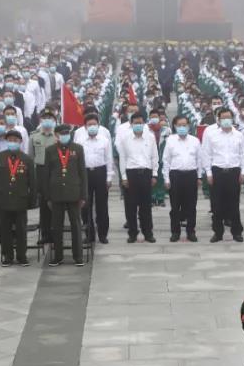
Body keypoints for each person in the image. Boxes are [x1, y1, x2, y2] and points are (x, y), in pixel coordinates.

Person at [0, 129, 37, 266]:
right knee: (5, 230)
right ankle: (8, 256)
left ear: (20, 142)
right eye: (10, 140)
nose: (12, 143)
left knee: (21, 230)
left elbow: (32, 182)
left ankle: (22, 256)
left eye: (15, 141)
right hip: (4, 200)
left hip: (20, 200)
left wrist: (32, 201)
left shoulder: (26, 159)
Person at [44, 124, 88, 266]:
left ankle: (78, 256)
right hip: (56, 193)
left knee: (76, 225)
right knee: (56, 226)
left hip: (74, 193)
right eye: (61, 133)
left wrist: (83, 195)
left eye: (66, 133)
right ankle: (58, 256)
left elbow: (83, 173)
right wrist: (48, 196)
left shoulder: (78, 149)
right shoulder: (50, 150)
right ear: (56, 135)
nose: (64, 135)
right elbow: (47, 173)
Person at [202, 107, 244, 243]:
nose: (226, 120)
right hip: (217, 172)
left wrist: (243, 171)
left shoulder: (239, 135)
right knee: (217, 204)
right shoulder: (212, 135)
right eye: (223, 118)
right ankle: (218, 232)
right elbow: (207, 154)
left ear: (232, 119)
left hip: (234, 172)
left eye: (229, 118)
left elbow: (242, 154)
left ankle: (236, 232)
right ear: (219, 120)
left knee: (234, 203)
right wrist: (208, 173)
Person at [116, 113, 160, 243]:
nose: (138, 125)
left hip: (146, 173)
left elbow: (154, 157)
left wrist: (154, 174)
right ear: (131, 124)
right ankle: (132, 233)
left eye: (140, 122)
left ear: (144, 123)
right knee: (131, 206)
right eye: (135, 123)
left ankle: (148, 233)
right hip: (131, 174)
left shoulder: (150, 138)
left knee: (146, 206)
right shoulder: (125, 139)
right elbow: (122, 158)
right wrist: (123, 176)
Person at [163, 115, 202, 242]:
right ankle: (175, 232)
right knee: (175, 207)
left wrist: (199, 176)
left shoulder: (195, 141)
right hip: (175, 176)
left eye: (184, 125)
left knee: (191, 206)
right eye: (179, 125)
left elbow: (199, 160)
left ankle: (191, 231)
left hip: (191, 175)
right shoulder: (170, 140)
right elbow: (166, 161)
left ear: (188, 126)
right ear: (174, 126)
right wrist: (166, 179)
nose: (182, 127)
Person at [80, 113, 114, 244]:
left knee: (102, 206)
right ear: (85, 127)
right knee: (85, 206)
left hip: (100, 173)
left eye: (94, 124)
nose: (92, 127)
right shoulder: (80, 142)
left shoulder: (104, 141)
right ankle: (89, 234)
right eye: (89, 125)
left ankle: (103, 234)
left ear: (98, 125)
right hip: (85, 174)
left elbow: (109, 159)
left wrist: (109, 177)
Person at [30, 110, 59, 245]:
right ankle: (45, 233)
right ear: (41, 120)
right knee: (43, 204)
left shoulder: (57, 137)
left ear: (54, 120)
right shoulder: (34, 137)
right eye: (45, 118)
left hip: (55, 171)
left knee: (55, 204)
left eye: (50, 118)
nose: (47, 120)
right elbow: (30, 158)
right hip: (40, 172)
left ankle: (56, 232)